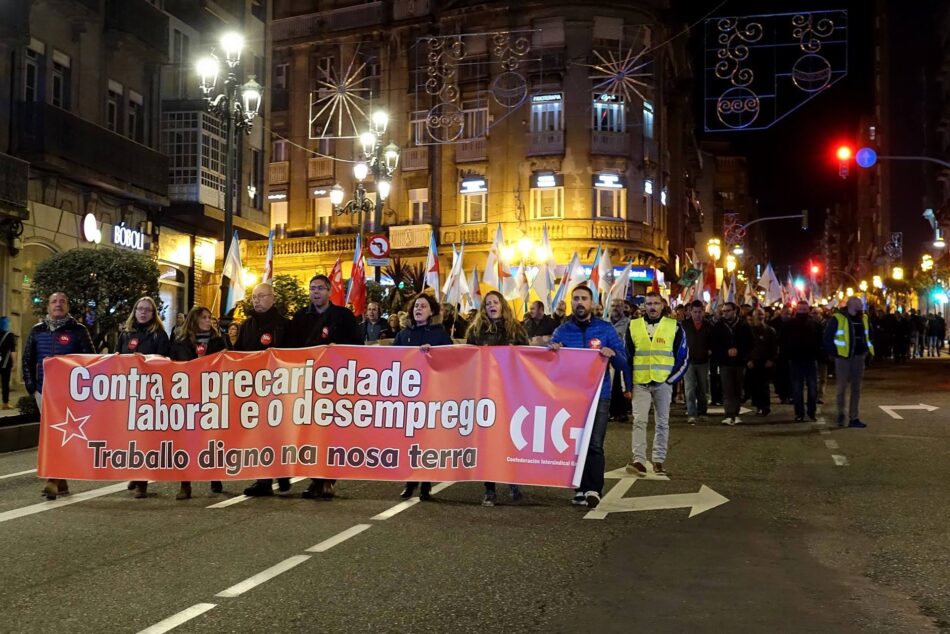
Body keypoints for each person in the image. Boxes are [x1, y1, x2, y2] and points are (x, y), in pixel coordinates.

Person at [548, 284, 629, 509]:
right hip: (571, 397)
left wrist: (612, 354)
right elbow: (547, 361)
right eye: (575, 299)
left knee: (594, 444)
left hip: (599, 396)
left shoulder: (605, 329)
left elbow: (623, 362)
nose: (579, 302)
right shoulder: (562, 331)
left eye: (584, 298)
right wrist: (552, 349)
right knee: (575, 444)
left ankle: (594, 488)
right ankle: (580, 488)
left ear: (591, 303)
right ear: (571, 302)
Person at [287, 274, 363, 499]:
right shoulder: (301, 317)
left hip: (336, 383)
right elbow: (291, 348)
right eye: (312, 289)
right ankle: (316, 478)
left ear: (330, 291)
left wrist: (338, 349)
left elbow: (358, 346)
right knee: (311, 433)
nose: (316, 292)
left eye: (320, 288)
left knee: (332, 432)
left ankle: (329, 478)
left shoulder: (343, 316)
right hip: (309, 383)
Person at [23, 292, 95, 500]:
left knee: (58, 435)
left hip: (69, 393)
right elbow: (27, 359)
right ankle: (61, 481)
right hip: (43, 390)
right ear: (47, 306)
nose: (58, 305)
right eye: (54, 301)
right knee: (53, 435)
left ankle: (53, 479)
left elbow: (90, 359)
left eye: (62, 301)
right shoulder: (37, 331)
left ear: (68, 306)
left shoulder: (78, 330)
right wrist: (31, 386)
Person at [466, 290, 529, 506]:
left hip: (510, 390)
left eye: (495, 302)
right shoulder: (476, 331)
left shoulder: (516, 329)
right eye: (488, 303)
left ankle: (513, 478)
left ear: (502, 306)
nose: (492, 305)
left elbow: (528, 358)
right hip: (485, 392)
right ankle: (489, 488)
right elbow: (467, 357)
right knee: (488, 442)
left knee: (510, 437)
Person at [393, 293, 453, 501]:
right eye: (416, 306)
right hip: (409, 394)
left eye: (423, 306)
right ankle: (410, 481)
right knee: (410, 439)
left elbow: (451, 357)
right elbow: (392, 358)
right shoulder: (403, 334)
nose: (418, 309)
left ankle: (425, 483)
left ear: (431, 311)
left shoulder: (439, 333)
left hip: (431, 394)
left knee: (426, 440)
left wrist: (434, 352)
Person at [623, 292, 687, 477]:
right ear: (644, 306)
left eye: (655, 303)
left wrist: (671, 379)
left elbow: (683, 356)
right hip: (640, 382)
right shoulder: (633, 326)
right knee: (639, 421)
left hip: (662, 382)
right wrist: (627, 385)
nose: (652, 307)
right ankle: (639, 461)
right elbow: (627, 357)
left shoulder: (674, 326)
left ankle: (658, 460)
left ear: (662, 305)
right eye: (649, 303)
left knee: (662, 423)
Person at [238, 283, 293, 497]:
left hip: (279, 387)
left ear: (272, 298)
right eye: (254, 297)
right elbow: (240, 354)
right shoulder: (246, 326)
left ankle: (282, 471)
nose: (257, 301)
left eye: (261, 296)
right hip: (254, 388)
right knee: (259, 433)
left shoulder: (284, 326)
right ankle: (263, 479)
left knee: (278, 432)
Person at [170, 305, 226, 499]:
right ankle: (185, 483)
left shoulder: (219, 341)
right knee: (187, 441)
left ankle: (215, 475)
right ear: (194, 320)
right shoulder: (180, 341)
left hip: (213, 395)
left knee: (213, 437)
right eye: (204, 317)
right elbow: (173, 365)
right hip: (188, 396)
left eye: (210, 317)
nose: (208, 321)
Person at [118, 297, 171, 498]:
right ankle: (135, 472)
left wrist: (146, 361)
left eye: (147, 310)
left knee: (145, 438)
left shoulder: (158, 335)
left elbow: (166, 361)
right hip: (129, 391)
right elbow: (117, 357)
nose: (143, 312)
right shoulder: (126, 333)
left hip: (149, 393)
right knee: (130, 437)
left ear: (153, 313)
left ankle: (142, 482)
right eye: (139, 308)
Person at [824, 297, 874, 428]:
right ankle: (841, 414)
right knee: (842, 388)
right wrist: (834, 353)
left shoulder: (864, 318)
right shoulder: (838, 318)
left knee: (856, 389)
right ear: (852, 304)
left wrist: (866, 351)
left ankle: (854, 417)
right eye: (859, 303)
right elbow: (828, 337)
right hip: (843, 357)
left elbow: (869, 335)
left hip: (858, 357)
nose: (862, 305)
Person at [711, 302, 753, 425]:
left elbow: (749, 343)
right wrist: (725, 351)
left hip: (739, 362)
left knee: (738, 389)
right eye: (723, 311)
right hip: (725, 363)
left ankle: (736, 413)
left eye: (728, 310)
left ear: (735, 311)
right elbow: (714, 344)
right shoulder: (718, 326)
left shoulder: (744, 326)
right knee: (728, 389)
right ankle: (729, 414)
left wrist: (739, 351)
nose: (725, 313)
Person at [782, 301, 823, 422]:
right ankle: (799, 413)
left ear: (808, 310)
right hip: (796, 360)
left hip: (809, 360)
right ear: (797, 309)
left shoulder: (815, 325)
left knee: (812, 388)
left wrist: (817, 355)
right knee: (797, 388)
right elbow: (783, 341)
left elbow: (819, 342)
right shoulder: (789, 324)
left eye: (805, 309)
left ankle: (811, 412)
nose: (803, 312)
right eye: (801, 309)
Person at [681, 300, 712, 424]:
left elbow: (713, 340)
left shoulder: (708, 325)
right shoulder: (684, 325)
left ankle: (702, 412)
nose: (697, 314)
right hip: (688, 361)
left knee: (702, 388)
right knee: (689, 388)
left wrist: (710, 350)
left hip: (703, 361)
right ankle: (692, 413)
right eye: (695, 312)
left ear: (703, 312)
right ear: (690, 312)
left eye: (700, 312)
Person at [746, 308, 778, 417]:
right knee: (755, 385)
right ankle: (758, 405)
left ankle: (765, 406)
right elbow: (746, 347)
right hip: (753, 362)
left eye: (762, 314)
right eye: (757, 314)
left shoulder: (770, 330)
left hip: (765, 362)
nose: (760, 316)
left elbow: (774, 347)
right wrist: (748, 360)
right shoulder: (749, 330)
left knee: (764, 385)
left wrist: (772, 360)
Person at [607, 298, 632, 422]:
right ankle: (610, 412)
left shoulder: (629, 323)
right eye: (613, 305)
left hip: (622, 358)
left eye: (619, 305)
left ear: (623, 307)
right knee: (610, 386)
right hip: (607, 360)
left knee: (622, 386)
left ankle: (622, 412)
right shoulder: (604, 323)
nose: (616, 308)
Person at [0, 316, 16, 409]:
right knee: (5, 383)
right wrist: (14, 363)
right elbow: (12, 351)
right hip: (6, 363)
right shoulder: (9, 335)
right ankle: (5, 404)